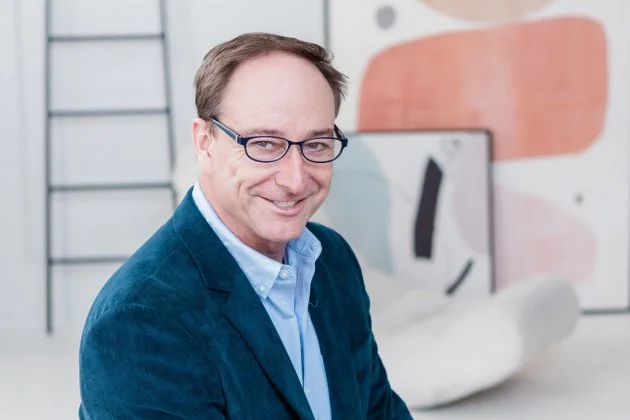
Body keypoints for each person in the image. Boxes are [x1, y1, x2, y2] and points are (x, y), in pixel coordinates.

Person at [79, 32, 412, 419]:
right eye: (265, 144)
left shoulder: (333, 259)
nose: (295, 180)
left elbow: (379, 411)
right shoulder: (139, 320)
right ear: (204, 142)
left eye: (316, 144)